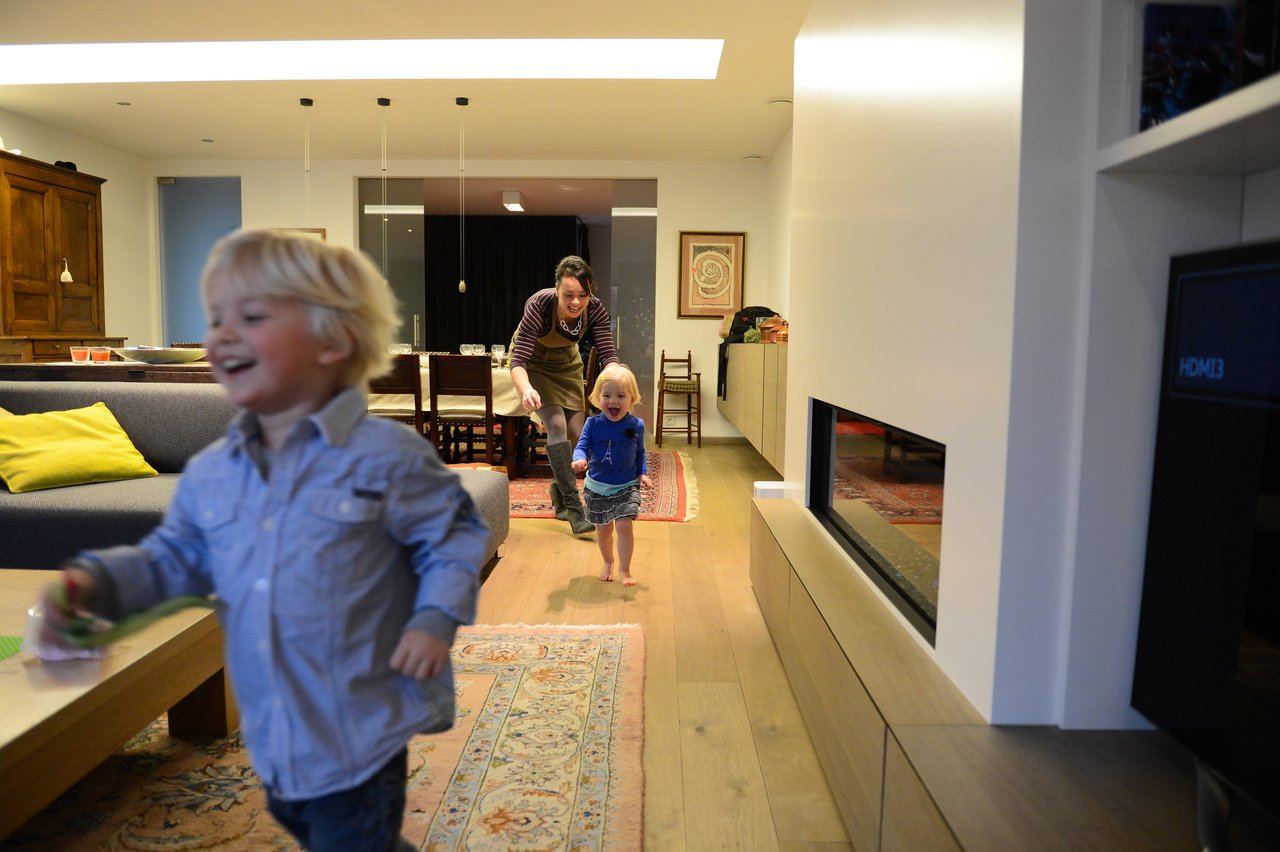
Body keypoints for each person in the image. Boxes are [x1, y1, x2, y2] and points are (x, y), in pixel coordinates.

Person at [38, 228, 490, 852]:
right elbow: (176, 558)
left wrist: (435, 616)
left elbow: (453, 537)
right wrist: (104, 583)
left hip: (362, 718)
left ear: (333, 340)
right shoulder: (213, 471)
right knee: (302, 818)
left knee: (348, 836)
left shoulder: (387, 456)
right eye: (217, 317)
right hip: (276, 716)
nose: (221, 334)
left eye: (250, 317)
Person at [509, 255, 619, 536]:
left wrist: (616, 378)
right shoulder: (538, 305)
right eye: (569, 294)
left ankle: (558, 491)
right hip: (534, 363)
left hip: (567, 364)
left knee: (576, 432)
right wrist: (527, 389)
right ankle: (573, 506)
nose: (575, 302)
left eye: (582, 295)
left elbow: (608, 352)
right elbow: (518, 360)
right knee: (556, 424)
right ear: (556, 289)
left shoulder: (593, 309)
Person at [571, 363, 652, 585]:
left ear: (632, 399)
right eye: (607, 395)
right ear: (598, 398)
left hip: (626, 485)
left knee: (625, 525)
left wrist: (642, 474)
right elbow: (582, 446)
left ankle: (625, 570)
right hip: (597, 486)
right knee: (604, 530)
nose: (613, 401)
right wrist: (579, 459)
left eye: (620, 395)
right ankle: (608, 561)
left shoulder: (637, 425)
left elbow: (640, 451)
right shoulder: (592, 424)